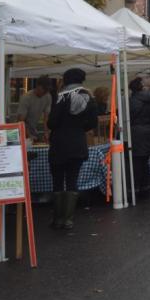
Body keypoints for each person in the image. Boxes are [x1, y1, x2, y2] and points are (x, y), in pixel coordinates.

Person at [47, 68, 98, 230]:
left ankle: (57, 219)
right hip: (77, 142)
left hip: (59, 144)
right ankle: (68, 219)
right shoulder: (89, 97)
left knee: (57, 180)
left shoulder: (60, 97)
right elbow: (92, 123)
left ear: (66, 79)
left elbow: (52, 122)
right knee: (72, 179)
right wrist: (79, 128)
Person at [128, 77, 150, 198]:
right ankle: (145, 188)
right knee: (145, 161)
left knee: (136, 162)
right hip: (148, 131)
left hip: (136, 132)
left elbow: (129, 116)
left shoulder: (132, 100)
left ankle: (136, 189)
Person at [17, 77, 51, 141]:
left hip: (33, 130)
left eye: (47, 90)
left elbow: (46, 117)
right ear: (38, 86)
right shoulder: (26, 98)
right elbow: (21, 120)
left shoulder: (48, 97)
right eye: (44, 89)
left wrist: (46, 132)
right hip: (20, 131)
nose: (45, 92)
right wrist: (29, 135)